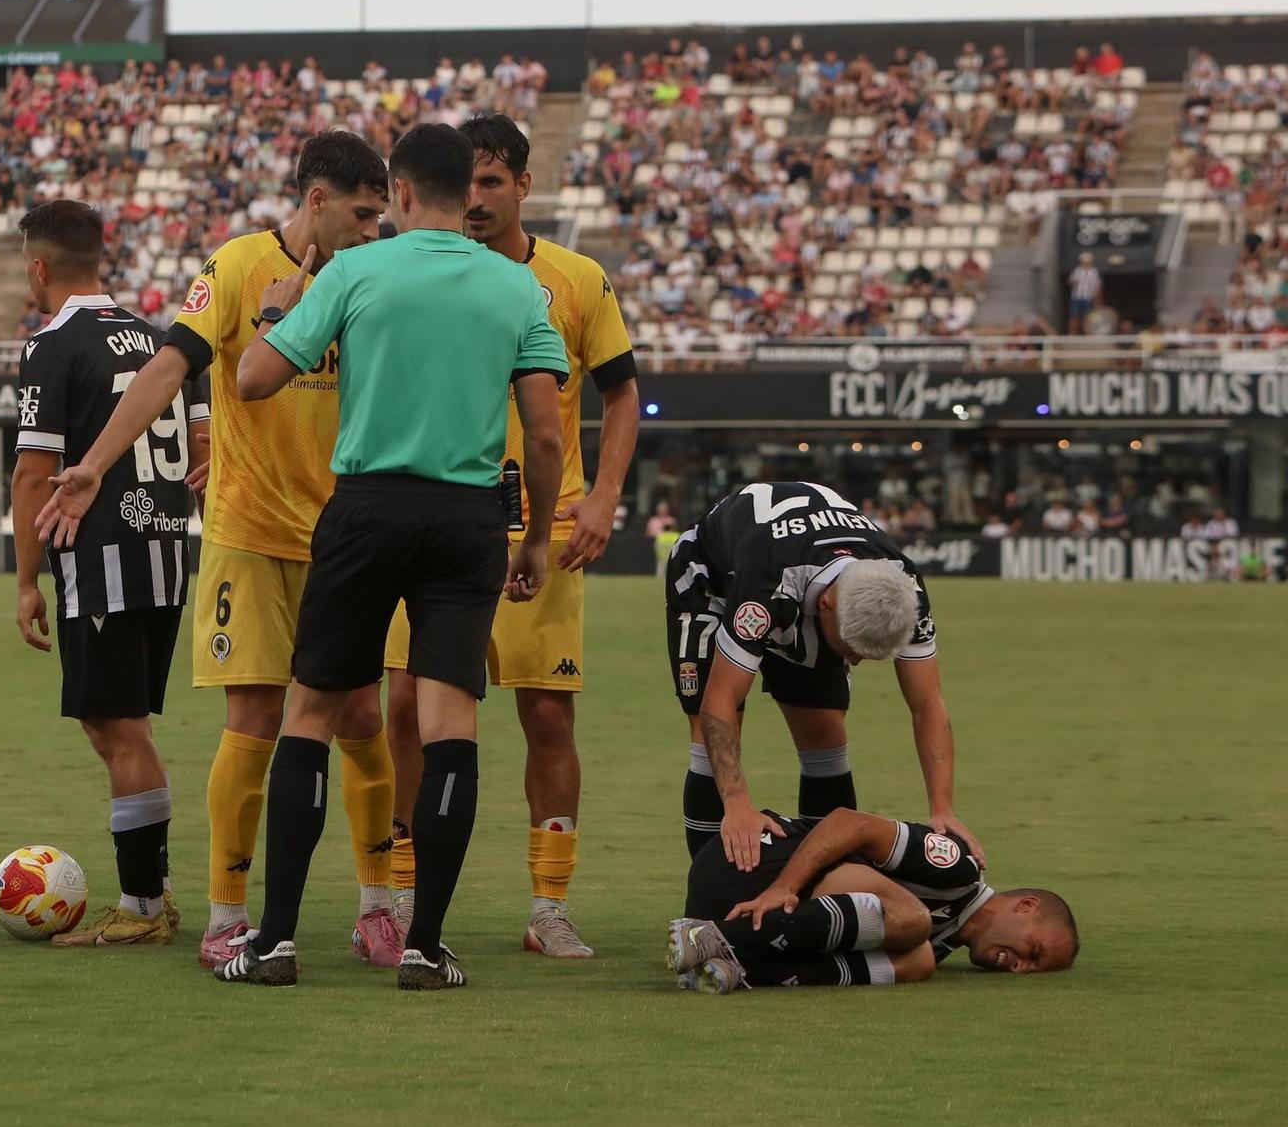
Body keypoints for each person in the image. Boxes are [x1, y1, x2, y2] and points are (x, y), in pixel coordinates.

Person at [213, 122, 569, 991]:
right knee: (451, 726)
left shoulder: (354, 270)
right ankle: (425, 945)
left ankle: (276, 942)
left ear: (402, 194)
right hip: (466, 518)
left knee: (310, 714)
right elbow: (549, 431)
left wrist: (281, 312)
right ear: (468, 193)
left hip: (366, 507)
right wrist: (536, 537)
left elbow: (255, 378)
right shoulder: (517, 287)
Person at [37, 133, 401, 970]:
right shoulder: (236, 266)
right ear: (315, 202)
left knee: (359, 718)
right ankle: (227, 913)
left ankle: (381, 903)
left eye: (380, 212)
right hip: (248, 534)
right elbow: (170, 366)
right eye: (359, 211)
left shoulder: (375, 276)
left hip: (346, 535)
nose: (371, 226)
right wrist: (94, 463)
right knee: (254, 721)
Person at [381, 113, 639, 960]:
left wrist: (603, 495)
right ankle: (405, 893)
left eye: (496, 183)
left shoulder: (575, 280)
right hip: (430, 521)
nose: (482, 199)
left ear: (525, 185)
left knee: (546, 714)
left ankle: (549, 902)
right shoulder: (412, 273)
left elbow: (622, 393)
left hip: (543, 528)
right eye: (472, 183)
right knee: (405, 708)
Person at [12, 201, 204, 946]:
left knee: (115, 726)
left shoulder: (52, 344)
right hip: (163, 551)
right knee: (127, 724)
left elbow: (34, 473)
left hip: (103, 559)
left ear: (39, 267)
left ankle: (144, 905)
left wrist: (27, 580)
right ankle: (150, 893)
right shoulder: (154, 335)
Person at [666, 481, 981, 873]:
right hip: (712, 575)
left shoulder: (905, 585)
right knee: (706, 734)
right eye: (851, 649)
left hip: (804, 574)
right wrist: (737, 803)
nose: (857, 663)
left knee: (824, 732)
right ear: (828, 606)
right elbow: (720, 703)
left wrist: (942, 807)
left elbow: (928, 703)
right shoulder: (767, 587)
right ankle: (711, 884)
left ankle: (825, 875)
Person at [667, 807, 1077, 992]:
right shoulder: (959, 870)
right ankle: (719, 939)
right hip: (749, 860)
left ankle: (732, 968)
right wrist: (784, 888)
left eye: (1033, 969)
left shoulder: (942, 945)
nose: (1022, 968)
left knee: (918, 962)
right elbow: (849, 822)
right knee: (911, 920)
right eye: (1034, 952)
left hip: (741, 904)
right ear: (1026, 907)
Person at [1067, 252, 1102, 335]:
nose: (1086, 263)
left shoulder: (1095, 272)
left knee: (1087, 317)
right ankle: (1073, 333)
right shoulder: (1077, 271)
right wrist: (1073, 282)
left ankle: (1087, 333)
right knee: (1074, 316)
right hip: (1076, 297)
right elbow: (1070, 282)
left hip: (1088, 298)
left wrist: (1097, 300)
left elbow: (1098, 287)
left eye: (1088, 262)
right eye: (1084, 261)